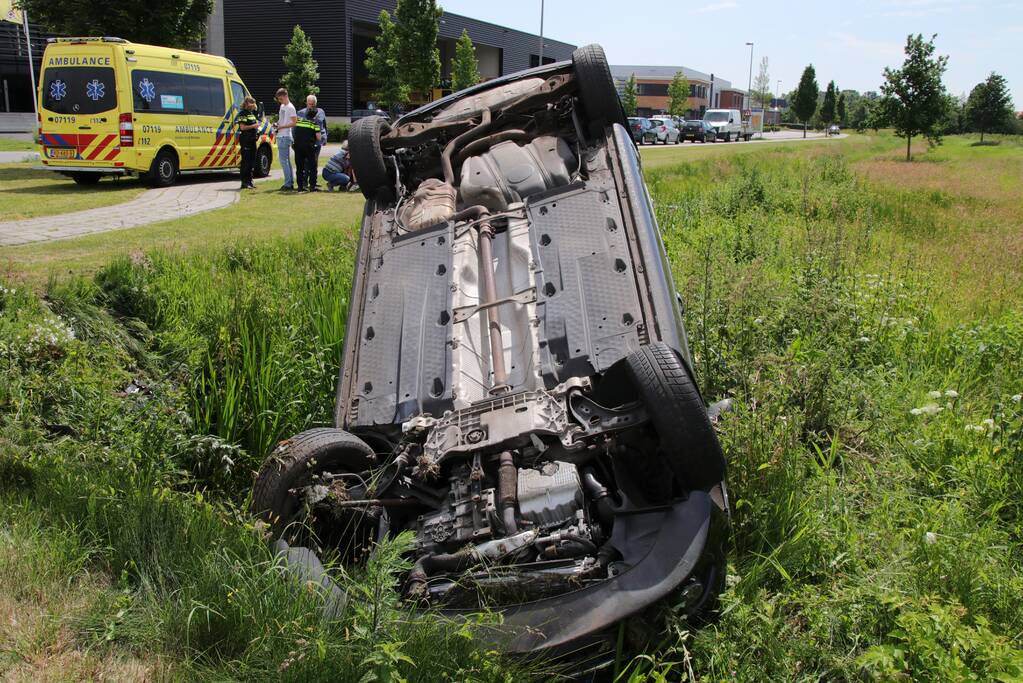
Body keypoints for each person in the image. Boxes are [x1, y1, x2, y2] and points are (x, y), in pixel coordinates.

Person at [292, 107, 322, 192]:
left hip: (298, 147)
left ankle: (300, 187)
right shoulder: (315, 123)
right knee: (312, 167)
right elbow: (319, 137)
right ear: (315, 115)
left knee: (299, 168)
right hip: (309, 147)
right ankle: (312, 186)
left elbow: (294, 131)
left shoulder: (299, 121)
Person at [274, 88, 297, 191]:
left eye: (281, 99)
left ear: (285, 96)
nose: (280, 101)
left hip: (285, 135)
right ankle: (289, 182)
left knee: (284, 161)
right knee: (286, 160)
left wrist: (281, 127)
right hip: (281, 134)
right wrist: (277, 124)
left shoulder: (290, 107)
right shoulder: (282, 106)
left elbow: (294, 122)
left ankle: (288, 183)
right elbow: (281, 120)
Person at [235, 96, 260, 190]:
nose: (253, 105)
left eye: (254, 103)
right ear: (246, 103)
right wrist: (254, 126)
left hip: (252, 139)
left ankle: (250, 181)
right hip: (246, 139)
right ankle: (244, 182)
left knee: (252, 161)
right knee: (246, 161)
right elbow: (242, 127)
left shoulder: (251, 113)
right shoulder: (242, 113)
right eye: (252, 103)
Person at [297, 94, 327, 165]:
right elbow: (296, 127)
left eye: (312, 104)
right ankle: (306, 175)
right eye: (309, 104)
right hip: (306, 141)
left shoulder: (321, 112)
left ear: (315, 104)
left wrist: (325, 137)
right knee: (305, 162)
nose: (310, 106)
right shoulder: (300, 113)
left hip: (317, 140)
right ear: (306, 103)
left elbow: (324, 125)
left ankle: (313, 175)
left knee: (314, 160)